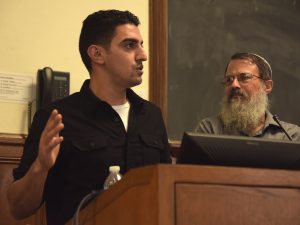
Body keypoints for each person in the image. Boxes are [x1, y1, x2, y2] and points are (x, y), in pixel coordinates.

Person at [7, 9, 171, 225]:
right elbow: (18, 208)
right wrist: (41, 166)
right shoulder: (56, 118)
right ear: (97, 54)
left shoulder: (151, 115)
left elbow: (167, 188)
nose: (143, 55)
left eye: (141, 44)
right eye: (130, 45)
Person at [195, 52, 300, 141]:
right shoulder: (210, 130)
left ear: (267, 86)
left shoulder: (290, 135)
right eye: (229, 80)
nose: (234, 85)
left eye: (244, 77)